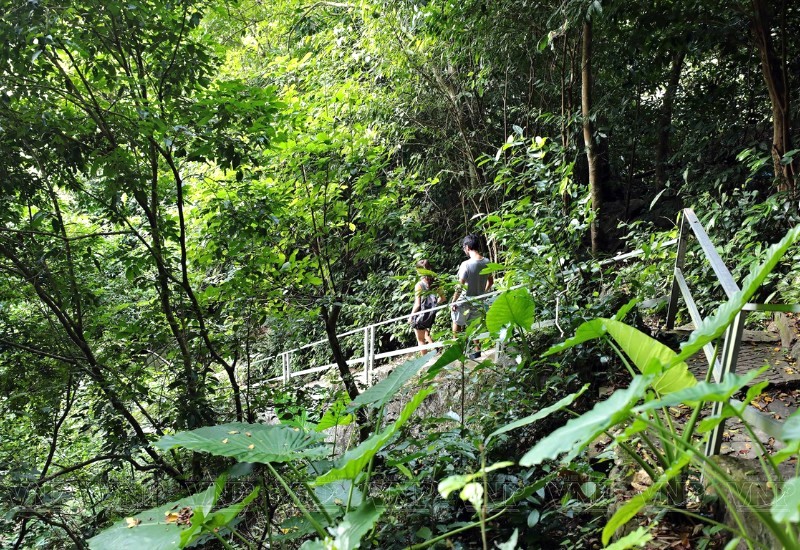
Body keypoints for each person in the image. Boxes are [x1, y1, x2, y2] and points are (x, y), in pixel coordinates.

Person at [450, 234, 494, 357]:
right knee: (474, 326)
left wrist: (454, 301)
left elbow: (460, 286)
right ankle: (477, 351)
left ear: (468, 247)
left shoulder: (466, 264)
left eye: (464, 248)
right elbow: (491, 281)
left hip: (464, 300)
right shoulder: (486, 262)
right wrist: (483, 293)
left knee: (457, 323)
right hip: (478, 300)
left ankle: (457, 351)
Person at [409, 259, 446, 355]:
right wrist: (433, 306)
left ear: (420, 271)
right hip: (430, 315)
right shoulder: (435, 282)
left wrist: (411, 316)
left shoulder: (419, 285)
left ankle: (424, 362)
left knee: (420, 340)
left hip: (420, 316)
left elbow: (417, 304)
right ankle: (436, 347)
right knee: (425, 334)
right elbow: (443, 298)